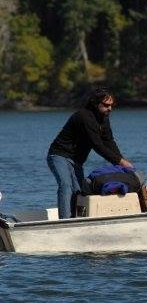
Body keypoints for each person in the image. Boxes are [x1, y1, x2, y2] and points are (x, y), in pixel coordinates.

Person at [47, 87, 133, 219]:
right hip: (59, 156)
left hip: (77, 161)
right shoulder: (83, 116)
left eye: (112, 105)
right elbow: (97, 144)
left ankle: (76, 219)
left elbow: (109, 141)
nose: (110, 108)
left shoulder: (103, 118)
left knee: (79, 191)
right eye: (106, 105)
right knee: (66, 185)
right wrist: (119, 161)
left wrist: (121, 161)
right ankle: (64, 221)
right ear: (95, 103)